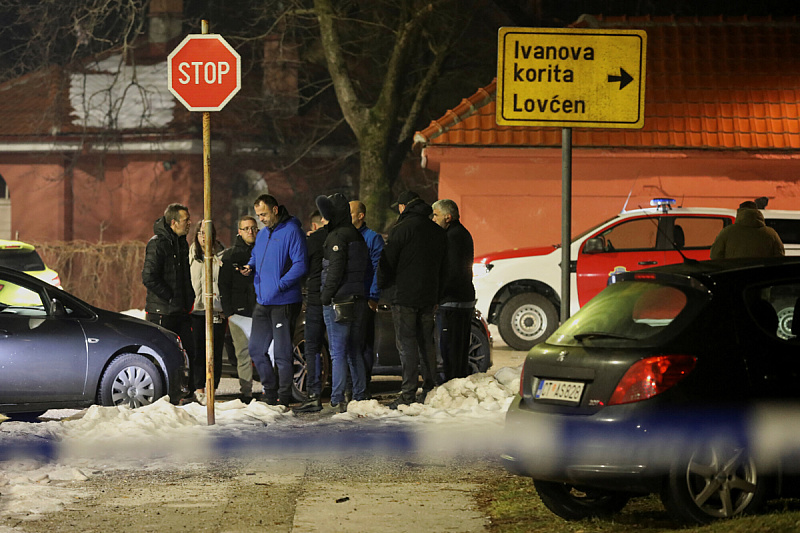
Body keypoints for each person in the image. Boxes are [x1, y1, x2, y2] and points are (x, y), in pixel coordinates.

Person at [378, 191, 447, 409]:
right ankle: (429, 386)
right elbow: (444, 267)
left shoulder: (400, 230)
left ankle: (408, 392)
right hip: (428, 296)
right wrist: (438, 294)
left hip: (404, 296)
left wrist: (383, 287)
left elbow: (387, 263)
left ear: (403, 207)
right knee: (427, 341)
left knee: (406, 343)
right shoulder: (437, 232)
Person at [240, 194, 307, 407]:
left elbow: (300, 265)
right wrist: (250, 267)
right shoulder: (262, 235)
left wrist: (280, 284)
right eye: (259, 215)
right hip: (263, 301)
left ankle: (284, 397)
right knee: (256, 350)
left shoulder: (292, 231)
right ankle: (270, 391)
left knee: (282, 353)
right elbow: (256, 257)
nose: (261, 219)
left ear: (275, 210)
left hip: (284, 301)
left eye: (264, 214)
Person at [316, 193, 370, 412]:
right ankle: (359, 395)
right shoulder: (358, 236)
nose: (322, 220)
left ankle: (337, 399)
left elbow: (335, 270)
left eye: (325, 216)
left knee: (337, 352)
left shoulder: (337, 237)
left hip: (339, 301)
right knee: (354, 350)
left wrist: (324, 296)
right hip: (358, 300)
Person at [141, 203, 195, 398]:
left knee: (189, 353)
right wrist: (171, 297)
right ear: (173, 222)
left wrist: (189, 298)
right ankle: (163, 398)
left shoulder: (181, 243)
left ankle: (187, 394)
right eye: (185, 220)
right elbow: (149, 277)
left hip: (180, 311)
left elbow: (184, 277)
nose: (190, 223)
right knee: (163, 355)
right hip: (162, 312)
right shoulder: (158, 243)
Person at [432, 199, 475, 381]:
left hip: (452, 301)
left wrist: (438, 296)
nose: (433, 219)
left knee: (450, 350)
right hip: (464, 298)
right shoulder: (463, 234)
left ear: (448, 217)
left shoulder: (451, 238)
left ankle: (451, 384)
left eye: (436, 215)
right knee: (459, 350)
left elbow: (451, 271)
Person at [219, 215, 258, 401]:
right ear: (239, 232)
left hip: (261, 310)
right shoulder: (231, 256)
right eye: (246, 229)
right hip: (239, 313)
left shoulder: (263, 251)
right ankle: (247, 392)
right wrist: (230, 313)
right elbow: (223, 285)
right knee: (243, 354)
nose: (251, 232)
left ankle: (269, 389)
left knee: (263, 351)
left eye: (253, 228)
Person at [188, 221, 226, 406]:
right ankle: (199, 390)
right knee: (197, 352)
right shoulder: (190, 255)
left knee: (215, 352)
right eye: (201, 233)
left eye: (207, 233)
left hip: (216, 311)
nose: (204, 236)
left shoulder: (222, 255)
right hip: (196, 310)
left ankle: (212, 389)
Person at [349, 200, 384, 395]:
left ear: (361, 215)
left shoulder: (372, 238)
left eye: (351, 212)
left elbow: (378, 269)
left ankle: (363, 385)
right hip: (350, 296)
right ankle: (355, 384)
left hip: (365, 297)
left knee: (364, 344)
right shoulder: (346, 236)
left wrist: (373, 296)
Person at [295, 210, 328, 413]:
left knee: (312, 347)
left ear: (314, 225)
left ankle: (314, 395)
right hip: (336, 299)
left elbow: (301, 267)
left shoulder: (313, 241)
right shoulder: (343, 237)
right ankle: (345, 396)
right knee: (341, 349)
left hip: (315, 299)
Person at [710, 200, 785, 259]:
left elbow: (715, 255)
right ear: (757, 212)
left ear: (739, 212)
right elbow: (779, 256)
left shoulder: (727, 232)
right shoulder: (770, 233)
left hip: (734, 274)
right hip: (762, 275)